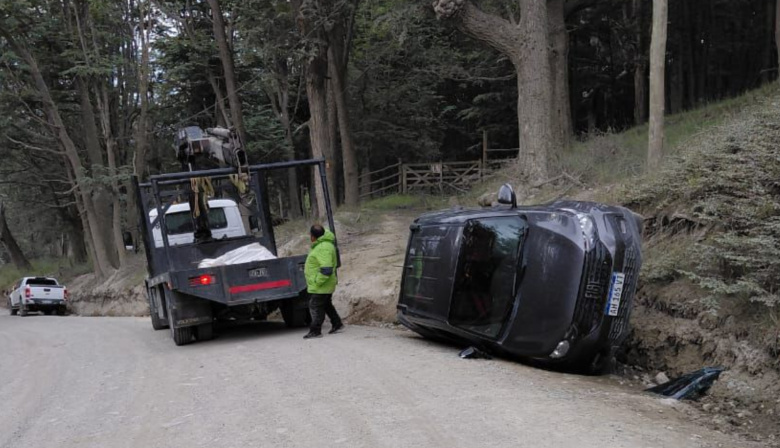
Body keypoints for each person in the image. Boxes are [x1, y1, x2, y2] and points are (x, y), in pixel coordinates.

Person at [303, 224, 344, 339]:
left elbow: (326, 269)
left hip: (321, 285)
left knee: (315, 306)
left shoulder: (322, 247)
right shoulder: (324, 245)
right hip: (325, 284)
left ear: (313, 236)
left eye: (310, 235)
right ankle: (337, 324)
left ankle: (315, 331)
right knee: (326, 304)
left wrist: (317, 281)